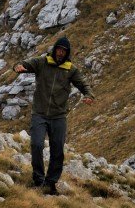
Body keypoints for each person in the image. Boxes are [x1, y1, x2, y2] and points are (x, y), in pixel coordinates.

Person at [13, 36, 93, 195]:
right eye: (59, 49)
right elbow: (24, 63)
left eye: (64, 51)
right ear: (55, 48)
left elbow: (83, 83)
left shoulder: (71, 69)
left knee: (58, 150)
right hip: (40, 114)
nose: (61, 53)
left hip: (59, 116)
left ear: (67, 53)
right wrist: (19, 66)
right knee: (36, 145)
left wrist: (88, 94)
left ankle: (50, 184)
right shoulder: (42, 62)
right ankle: (38, 179)